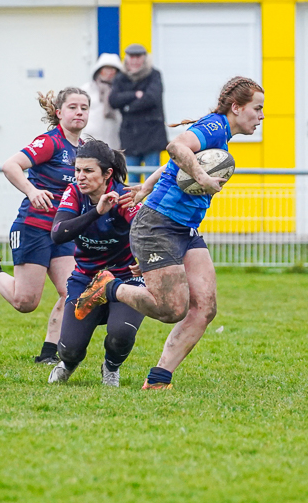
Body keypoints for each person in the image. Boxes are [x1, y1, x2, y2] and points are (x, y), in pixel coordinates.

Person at [75, 76, 264, 390]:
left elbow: (171, 163)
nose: (260, 117)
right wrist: (201, 175)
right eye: (257, 109)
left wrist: (144, 188)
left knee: (205, 307)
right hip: (158, 226)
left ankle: (160, 378)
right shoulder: (215, 126)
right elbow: (175, 146)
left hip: (185, 229)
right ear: (236, 107)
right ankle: (109, 288)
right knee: (171, 309)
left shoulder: (220, 136)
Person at [0, 88, 88, 364]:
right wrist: (31, 191)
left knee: (72, 292)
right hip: (33, 226)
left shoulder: (84, 150)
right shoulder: (50, 142)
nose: (79, 112)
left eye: (84, 108)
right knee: (25, 302)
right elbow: (10, 165)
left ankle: (48, 354)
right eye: (73, 107)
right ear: (59, 113)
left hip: (62, 230)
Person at [46, 139, 146, 386]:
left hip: (125, 278)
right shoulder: (74, 193)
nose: (80, 177)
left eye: (88, 171)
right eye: (78, 170)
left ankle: (111, 366)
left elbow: (146, 232)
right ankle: (68, 363)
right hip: (86, 279)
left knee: (121, 333)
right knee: (69, 349)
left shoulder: (124, 197)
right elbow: (58, 233)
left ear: (107, 174)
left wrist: (143, 260)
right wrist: (96, 212)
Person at [108, 44, 166, 182]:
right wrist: (135, 94)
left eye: (138, 57)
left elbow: (152, 98)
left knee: (152, 179)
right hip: (130, 138)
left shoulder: (154, 75)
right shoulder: (120, 78)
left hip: (152, 137)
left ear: (145, 58)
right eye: (131, 57)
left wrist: (128, 107)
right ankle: (133, 205)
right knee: (132, 179)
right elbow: (113, 100)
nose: (134, 60)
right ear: (126, 58)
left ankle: (151, 205)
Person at [81, 53, 123, 149]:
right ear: (99, 71)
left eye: (112, 70)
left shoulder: (122, 91)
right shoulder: (87, 89)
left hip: (114, 141)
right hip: (90, 140)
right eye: (106, 69)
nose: (109, 73)